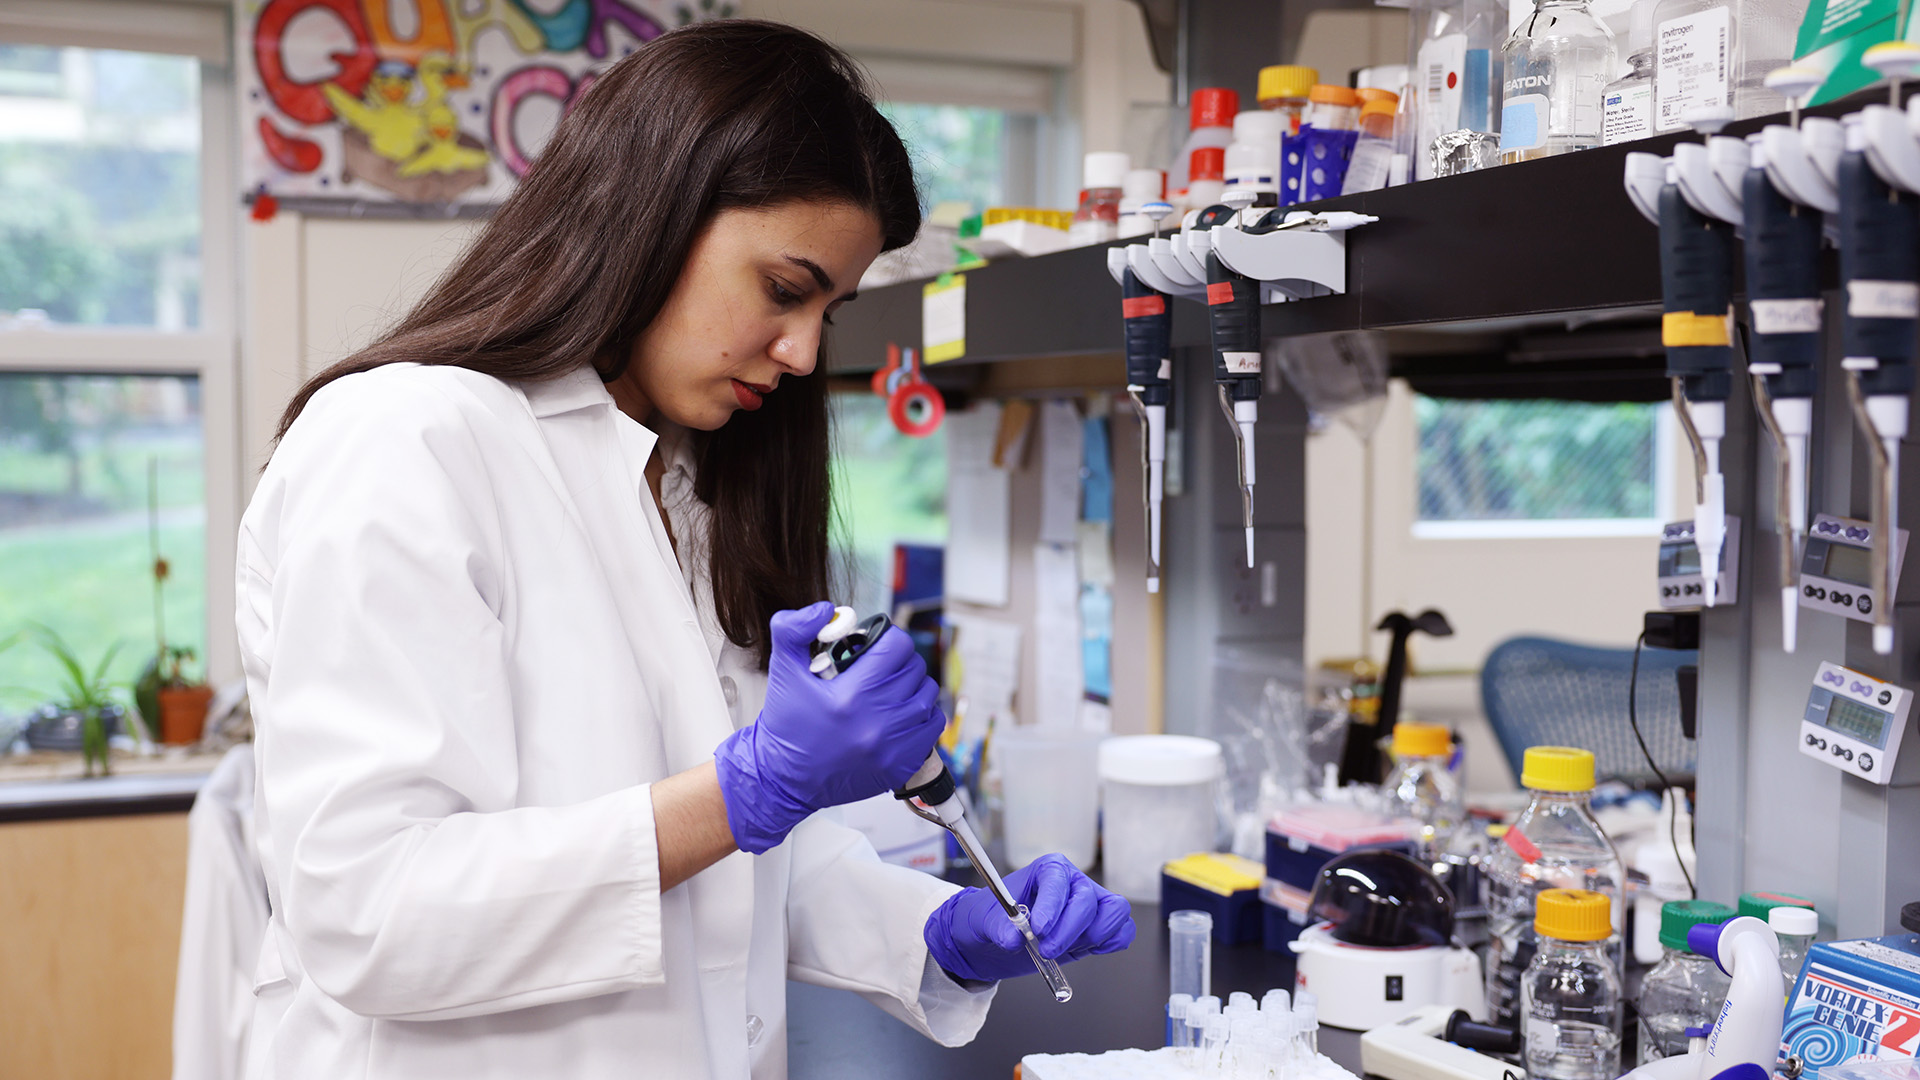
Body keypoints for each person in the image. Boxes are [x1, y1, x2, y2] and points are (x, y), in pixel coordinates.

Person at [234, 18, 1134, 1080]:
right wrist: (747, 788)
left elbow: (725, 870)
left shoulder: (692, 490)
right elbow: (369, 911)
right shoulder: (406, 440)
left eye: (827, 313)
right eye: (784, 289)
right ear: (649, 215)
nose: (802, 354)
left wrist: (933, 931)